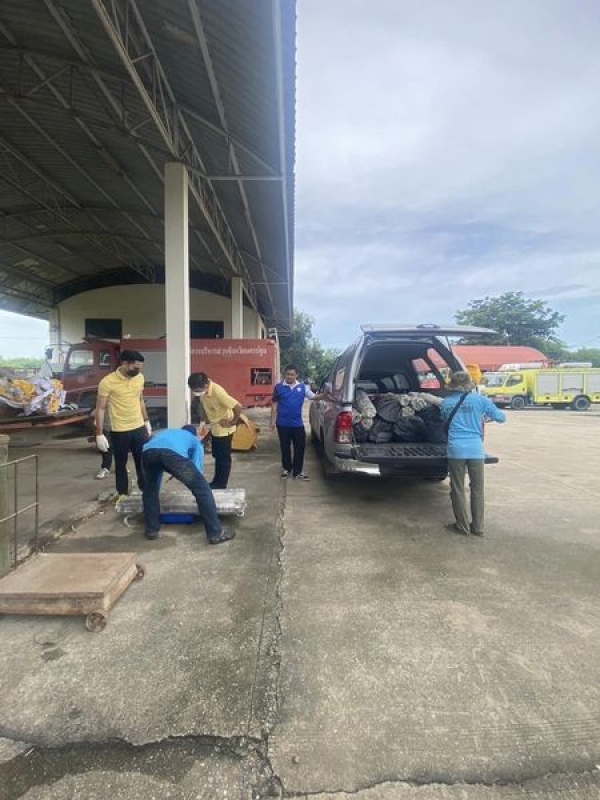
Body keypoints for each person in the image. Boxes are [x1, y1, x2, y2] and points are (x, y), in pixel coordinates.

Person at [141, 424, 235, 544]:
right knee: (202, 489)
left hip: (148, 452)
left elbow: (161, 453)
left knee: (150, 490)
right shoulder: (194, 440)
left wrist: (176, 469)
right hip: (172, 456)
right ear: (194, 434)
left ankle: (151, 530)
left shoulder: (169, 433)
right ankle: (215, 533)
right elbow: (197, 469)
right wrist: (183, 472)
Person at [440, 370, 506, 537]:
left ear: (453, 385)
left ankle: (462, 526)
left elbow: (444, 419)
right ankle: (478, 528)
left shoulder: (446, 403)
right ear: (469, 384)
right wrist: (483, 415)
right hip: (476, 450)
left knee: (457, 488)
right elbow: (501, 418)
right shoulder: (481, 400)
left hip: (456, 449)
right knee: (477, 489)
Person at [95, 349, 151, 499]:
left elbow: (140, 399)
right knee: (121, 464)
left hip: (138, 427)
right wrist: (99, 433)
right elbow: (100, 408)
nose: (138, 371)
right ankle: (122, 494)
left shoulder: (139, 378)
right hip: (119, 430)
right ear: (124, 363)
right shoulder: (107, 382)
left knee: (143, 462)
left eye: (140, 368)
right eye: (135, 367)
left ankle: (146, 491)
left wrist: (146, 420)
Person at [270, 364, 328, 480]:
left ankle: (298, 472)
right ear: (284, 374)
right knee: (285, 448)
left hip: (297, 424)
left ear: (297, 375)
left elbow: (314, 397)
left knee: (300, 448)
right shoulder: (278, 387)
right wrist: (272, 421)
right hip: (282, 424)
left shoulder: (303, 387)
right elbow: (274, 405)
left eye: (292, 374)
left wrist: (326, 394)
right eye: (288, 374)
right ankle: (287, 469)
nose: (290, 376)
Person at [187, 372, 243, 489]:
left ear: (206, 385)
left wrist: (232, 422)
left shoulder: (217, 391)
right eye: (194, 391)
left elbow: (238, 406)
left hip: (224, 429)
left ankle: (221, 484)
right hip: (215, 427)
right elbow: (203, 407)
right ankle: (216, 481)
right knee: (217, 455)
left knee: (223, 458)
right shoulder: (204, 392)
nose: (196, 393)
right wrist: (203, 423)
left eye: (198, 390)